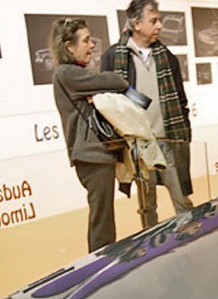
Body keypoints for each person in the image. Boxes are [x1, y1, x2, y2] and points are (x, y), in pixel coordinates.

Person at [102, 0, 193, 228]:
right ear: (136, 24)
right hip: (138, 145)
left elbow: (181, 101)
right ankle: (150, 242)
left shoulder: (167, 57)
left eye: (159, 20)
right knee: (147, 204)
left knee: (182, 199)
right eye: (153, 21)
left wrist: (184, 135)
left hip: (168, 141)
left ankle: (191, 237)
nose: (160, 26)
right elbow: (110, 102)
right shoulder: (113, 57)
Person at [51, 18, 129, 251]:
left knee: (102, 217)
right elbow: (117, 81)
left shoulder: (71, 73)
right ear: (69, 47)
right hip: (92, 157)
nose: (92, 45)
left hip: (94, 156)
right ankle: (101, 264)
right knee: (102, 222)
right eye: (86, 41)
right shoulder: (68, 73)